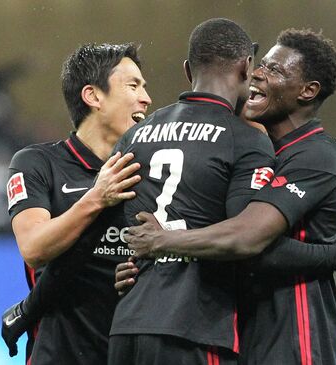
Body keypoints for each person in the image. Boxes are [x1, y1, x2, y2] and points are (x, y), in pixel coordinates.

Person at [122, 28, 336, 365]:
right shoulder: (249, 148)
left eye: (274, 70)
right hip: (240, 331)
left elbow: (249, 241)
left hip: (295, 338)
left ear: (308, 90)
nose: (258, 72)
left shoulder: (316, 155)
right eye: (261, 65)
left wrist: (161, 242)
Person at [106, 18, 276, 365]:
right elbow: (245, 237)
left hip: (127, 325)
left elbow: (117, 221)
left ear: (188, 70)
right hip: (195, 326)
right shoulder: (245, 139)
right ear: (246, 67)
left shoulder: (135, 136)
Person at [1, 42, 151, 365]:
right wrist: (97, 197)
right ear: (93, 96)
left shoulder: (151, 172)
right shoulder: (37, 164)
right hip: (59, 354)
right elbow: (34, 247)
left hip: (133, 353)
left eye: (145, 87)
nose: (146, 98)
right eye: (133, 85)